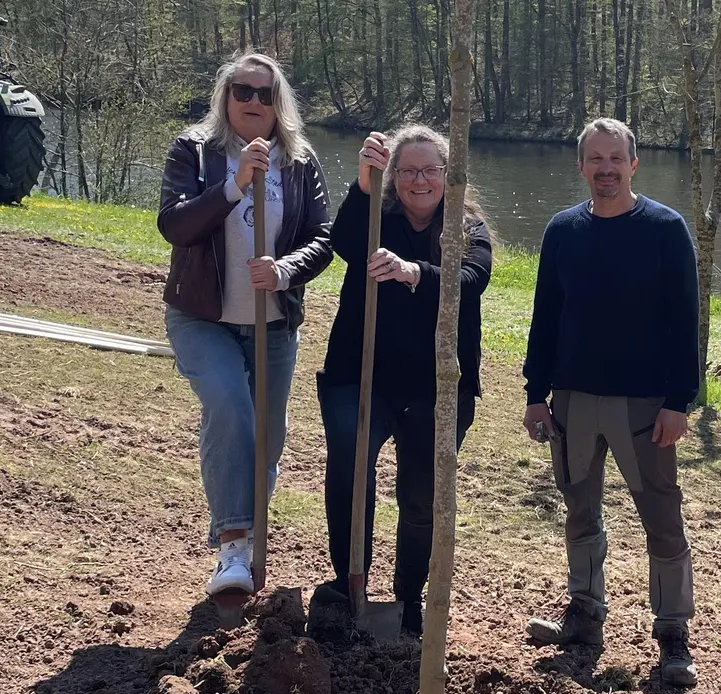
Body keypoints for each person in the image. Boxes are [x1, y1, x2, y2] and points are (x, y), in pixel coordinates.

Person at [521, 117, 701, 688]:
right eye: (595, 159)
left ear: (633, 164)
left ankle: (672, 632)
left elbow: (686, 322)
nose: (606, 169)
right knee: (579, 509)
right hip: (572, 399)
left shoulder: (665, 229)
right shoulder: (562, 230)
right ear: (581, 166)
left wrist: (679, 401)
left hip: (644, 405)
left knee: (661, 517)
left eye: (615, 159)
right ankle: (584, 612)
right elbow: (546, 316)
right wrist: (535, 393)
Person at [157, 52, 333, 599]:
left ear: (279, 103)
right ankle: (233, 545)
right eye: (242, 91)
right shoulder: (195, 150)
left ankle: (248, 528)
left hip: (273, 323)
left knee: (266, 437)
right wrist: (234, 186)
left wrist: (285, 270)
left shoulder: (300, 161)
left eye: (264, 93)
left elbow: (322, 238)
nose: (253, 101)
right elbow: (175, 225)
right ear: (225, 96)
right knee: (230, 407)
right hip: (202, 316)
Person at [316, 126, 495, 637]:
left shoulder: (466, 228)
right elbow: (345, 242)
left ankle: (409, 598)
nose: (420, 180)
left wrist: (412, 271)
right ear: (394, 177)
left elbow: (472, 280)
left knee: (421, 497)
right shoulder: (376, 216)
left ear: (448, 175)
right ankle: (349, 582)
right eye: (408, 170)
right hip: (360, 375)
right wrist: (363, 184)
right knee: (351, 474)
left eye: (430, 170)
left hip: (436, 385)